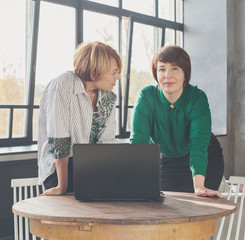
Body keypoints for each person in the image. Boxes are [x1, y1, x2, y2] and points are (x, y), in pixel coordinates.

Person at [130, 45, 223, 198]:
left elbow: (198, 145)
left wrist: (199, 186)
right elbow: (138, 144)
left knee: (198, 208)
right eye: (161, 69)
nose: (167, 75)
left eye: (174, 69)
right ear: (155, 73)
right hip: (168, 162)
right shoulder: (147, 97)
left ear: (185, 73)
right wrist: (131, 182)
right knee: (165, 209)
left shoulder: (197, 98)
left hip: (204, 160)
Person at [38, 41, 121, 195]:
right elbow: (59, 140)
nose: (118, 76)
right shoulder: (63, 85)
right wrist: (62, 187)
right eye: (114, 72)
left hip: (91, 166)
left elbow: (107, 141)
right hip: (60, 168)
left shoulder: (109, 96)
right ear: (96, 70)